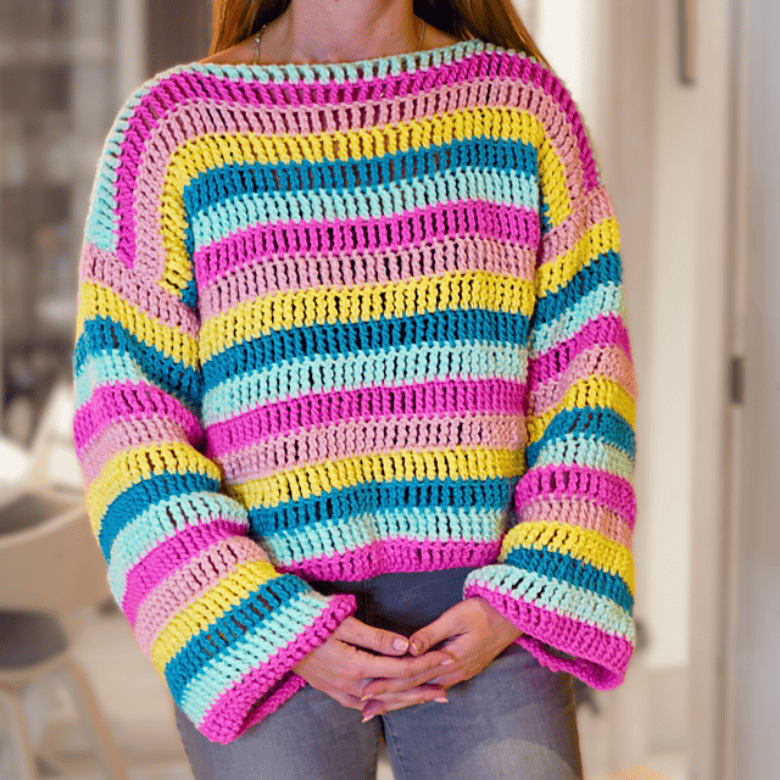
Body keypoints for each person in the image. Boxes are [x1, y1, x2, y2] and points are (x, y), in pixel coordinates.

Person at [72, 0, 637, 777]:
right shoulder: (173, 128)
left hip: (484, 608)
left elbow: (586, 376)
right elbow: (126, 416)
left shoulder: (521, 108)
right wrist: (264, 626)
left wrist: (523, 597)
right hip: (266, 613)